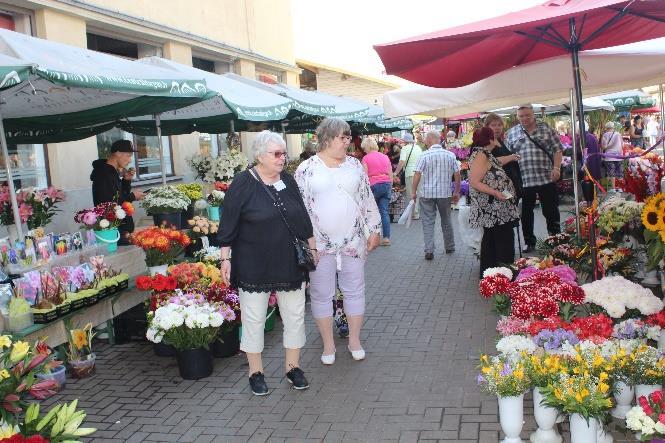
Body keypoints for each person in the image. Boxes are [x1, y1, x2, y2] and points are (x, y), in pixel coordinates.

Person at [218, 130, 315, 396]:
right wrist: (225, 257)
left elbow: (302, 217)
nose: (282, 158)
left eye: (284, 153)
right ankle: (255, 371)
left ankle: (293, 367)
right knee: (253, 318)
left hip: (289, 261)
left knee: (294, 315)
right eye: (276, 153)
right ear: (260, 156)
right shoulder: (243, 182)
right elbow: (228, 223)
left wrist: (312, 248)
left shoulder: (288, 180)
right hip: (253, 262)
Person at [295, 118, 381, 365]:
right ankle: (328, 344)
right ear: (326, 138)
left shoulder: (355, 165)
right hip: (318, 244)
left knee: (355, 291)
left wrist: (375, 228)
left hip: (353, 241)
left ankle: (354, 340)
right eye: (342, 137)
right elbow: (300, 208)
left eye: (348, 137)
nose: (347, 142)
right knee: (322, 294)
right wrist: (306, 242)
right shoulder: (306, 169)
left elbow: (366, 199)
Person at [505, 105, 563, 253]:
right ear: (517, 117)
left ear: (533, 114)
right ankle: (529, 241)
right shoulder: (511, 133)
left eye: (527, 115)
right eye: (521, 116)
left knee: (551, 210)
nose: (524, 118)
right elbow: (508, 156)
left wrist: (556, 168)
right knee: (526, 213)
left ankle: (555, 238)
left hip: (546, 177)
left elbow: (557, 149)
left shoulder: (546, 128)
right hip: (524, 180)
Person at [468, 127, 520, 277]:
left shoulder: (485, 154)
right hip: (493, 208)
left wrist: (511, 157)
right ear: (490, 139)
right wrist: (496, 192)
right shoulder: (481, 155)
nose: (498, 135)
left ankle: (491, 275)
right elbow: (474, 181)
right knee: (503, 240)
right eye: (494, 135)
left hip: (496, 207)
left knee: (491, 240)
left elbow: (496, 162)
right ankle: (504, 275)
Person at [411, 130, 461, 260]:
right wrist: (456, 191)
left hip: (427, 193)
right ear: (439, 140)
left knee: (428, 221)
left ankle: (429, 250)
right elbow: (457, 174)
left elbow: (417, 174)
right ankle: (449, 247)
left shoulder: (424, 155)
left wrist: (413, 191)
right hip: (445, 194)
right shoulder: (450, 155)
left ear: (428, 141)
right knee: (447, 220)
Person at [90, 140, 144, 244]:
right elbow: (109, 203)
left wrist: (126, 181)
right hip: (113, 231)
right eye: (128, 155)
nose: (130, 160)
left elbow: (118, 195)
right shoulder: (104, 174)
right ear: (118, 153)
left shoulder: (111, 171)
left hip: (118, 229)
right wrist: (132, 196)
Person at [361, 137, 392, 246]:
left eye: (364, 148)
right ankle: (386, 238)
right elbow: (390, 172)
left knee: (371, 213)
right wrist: (390, 185)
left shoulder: (365, 158)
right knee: (384, 211)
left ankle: (372, 238)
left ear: (367, 147)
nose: (364, 150)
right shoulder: (385, 157)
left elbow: (364, 176)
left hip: (373, 185)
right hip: (386, 184)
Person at [484, 113, 522, 200]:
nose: (497, 127)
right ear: (486, 127)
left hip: (509, 185)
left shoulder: (499, 140)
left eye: (499, 125)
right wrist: (511, 157)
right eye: (493, 125)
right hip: (497, 187)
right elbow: (488, 162)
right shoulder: (485, 143)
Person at [393, 133, 422, 219]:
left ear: (405, 141)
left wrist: (396, 172)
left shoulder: (404, 149)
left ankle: (414, 213)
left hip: (410, 173)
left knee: (411, 193)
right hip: (420, 172)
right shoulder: (418, 148)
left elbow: (402, 161)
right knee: (418, 193)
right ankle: (417, 212)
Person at [601, 121, 623, 190]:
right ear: (613, 127)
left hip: (609, 157)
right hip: (618, 156)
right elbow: (622, 144)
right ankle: (620, 187)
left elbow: (604, 147)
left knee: (611, 173)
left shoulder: (605, 135)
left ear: (606, 127)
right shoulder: (618, 134)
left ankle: (613, 188)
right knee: (619, 172)